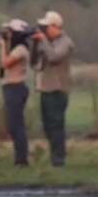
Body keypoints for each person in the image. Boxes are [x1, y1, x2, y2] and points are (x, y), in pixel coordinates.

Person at [32, 11, 74, 167]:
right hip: (45, 89)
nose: (43, 29)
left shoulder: (66, 42)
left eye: (46, 26)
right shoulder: (45, 42)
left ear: (55, 26)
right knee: (47, 125)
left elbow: (54, 57)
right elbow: (34, 62)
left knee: (56, 125)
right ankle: (55, 155)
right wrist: (36, 43)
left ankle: (58, 159)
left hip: (58, 89)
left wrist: (42, 40)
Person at [0, 19, 31, 167]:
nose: (8, 34)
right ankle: (19, 158)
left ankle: (21, 160)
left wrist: (2, 46)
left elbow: (5, 63)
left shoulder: (21, 49)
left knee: (16, 125)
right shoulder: (17, 49)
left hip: (15, 88)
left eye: (10, 32)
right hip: (11, 88)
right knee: (13, 125)